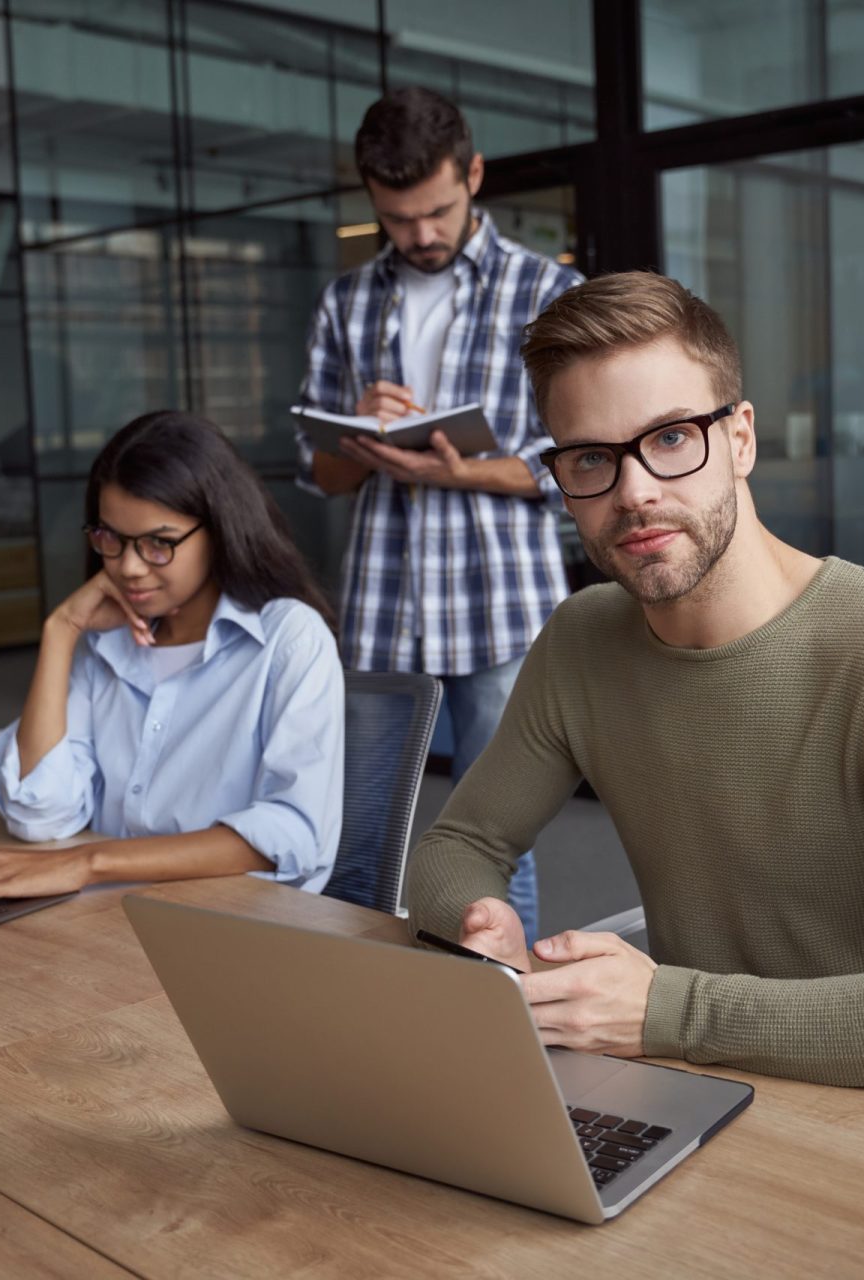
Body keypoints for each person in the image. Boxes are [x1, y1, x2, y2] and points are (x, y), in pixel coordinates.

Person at [406, 272, 864, 1094]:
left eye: (669, 439)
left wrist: (671, 1011)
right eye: (591, 458)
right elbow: (459, 849)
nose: (635, 494)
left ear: (740, 440)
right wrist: (486, 930)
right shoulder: (582, 641)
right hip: (698, 1089)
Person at [296, 86, 581, 942]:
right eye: (396, 218)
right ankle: (354, 1010)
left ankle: (508, 1007)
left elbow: (579, 461)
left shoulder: (549, 290)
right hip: (385, 608)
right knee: (359, 827)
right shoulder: (346, 303)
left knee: (499, 840)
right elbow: (318, 474)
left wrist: (463, 470)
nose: (419, 234)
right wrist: (358, 438)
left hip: (499, 610)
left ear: (475, 176)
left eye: (436, 211)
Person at [0, 412, 344, 913]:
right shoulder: (107, 642)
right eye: (110, 538)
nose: (129, 567)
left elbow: (293, 832)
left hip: (235, 927)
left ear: (220, 530)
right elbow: (40, 814)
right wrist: (61, 632)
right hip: (107, 918)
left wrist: (90, 862)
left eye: (159, 543)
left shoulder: (288, 638)